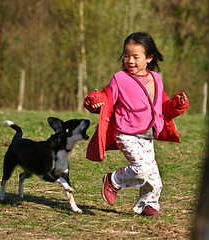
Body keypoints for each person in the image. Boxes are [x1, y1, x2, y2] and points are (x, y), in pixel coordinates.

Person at [84, 32, 189, 218]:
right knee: (142, 169)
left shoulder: (156, 79)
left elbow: (163, 107)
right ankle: (113, 180)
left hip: (148, 135)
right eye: (126, 55)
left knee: (155, 179)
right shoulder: (119, 79)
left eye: (135, 56)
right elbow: (106, 96)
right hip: (126, 133)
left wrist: (177, 104)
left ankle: (148, 205)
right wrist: (95, 101)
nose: (130, 60)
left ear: (149, 58)